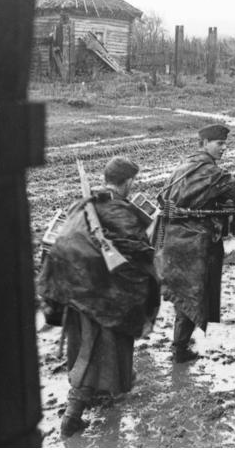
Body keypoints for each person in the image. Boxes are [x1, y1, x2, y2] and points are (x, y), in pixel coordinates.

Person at [37, 156, 160, 438]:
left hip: (72, 289)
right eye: (132, 182)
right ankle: (72, 416)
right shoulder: (119, 211)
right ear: (128, 183)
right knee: (93, 352)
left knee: (84, 346)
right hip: (100, 297)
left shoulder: (83, 204)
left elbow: (63, 241)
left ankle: (104, 392)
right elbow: (139, 253)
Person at [156, 124, 235, 363]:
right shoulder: (211, 173)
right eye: (219, 144)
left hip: (172, 240)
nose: (223, 148)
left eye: (224, 144)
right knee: (194, 293)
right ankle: (180, 350)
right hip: (196, 244)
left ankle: (180, 344)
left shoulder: (182, 168)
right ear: (204, 144)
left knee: (184, 294)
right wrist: (228, 205)